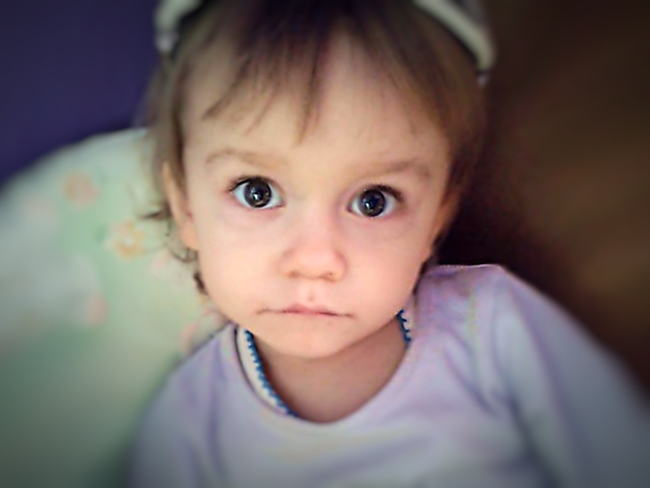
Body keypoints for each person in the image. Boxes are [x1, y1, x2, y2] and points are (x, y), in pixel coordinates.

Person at [129, 1, 650, 487]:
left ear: (436, 218)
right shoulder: (188, 424)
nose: (316, 260)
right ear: (186, 207)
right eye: (257, 192)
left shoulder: (492, 329)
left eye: (373, 201)